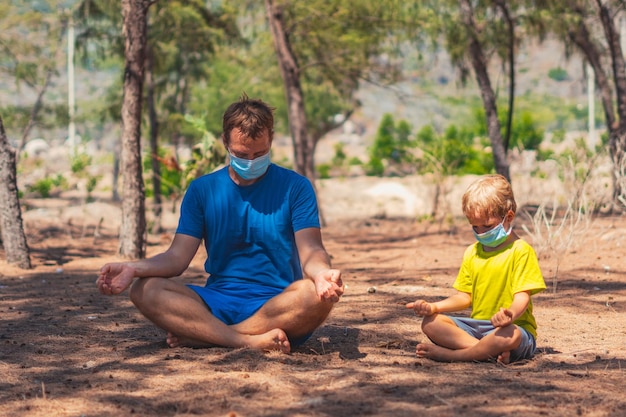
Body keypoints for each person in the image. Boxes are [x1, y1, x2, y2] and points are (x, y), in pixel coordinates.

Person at [96, 94, 344, 353]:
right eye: (241, 153)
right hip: (215, 302)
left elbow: (312, 251)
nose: (249, 161)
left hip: (278, 305)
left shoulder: (296, 187)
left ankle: (208, 336)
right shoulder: (202, 190)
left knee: (313, 295)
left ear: (271, 138)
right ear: (225, 141)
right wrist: (133, 268)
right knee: (145, 289)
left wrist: (321, 274)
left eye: (259, 153)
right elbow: (176, 258)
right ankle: (247, 340)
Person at [406, 174, 546, 364]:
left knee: (509, 335)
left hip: (513, 327)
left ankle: (454, 355)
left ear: (509, 217)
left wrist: (509, 315)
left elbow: (523, 296)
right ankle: (486, 351)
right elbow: (465, 297)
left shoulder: (521, 251)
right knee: (431, 323)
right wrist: (434, 307)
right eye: (475, 226)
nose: (480, 233)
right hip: (477, 329)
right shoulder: (472, 253)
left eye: (487, 226)